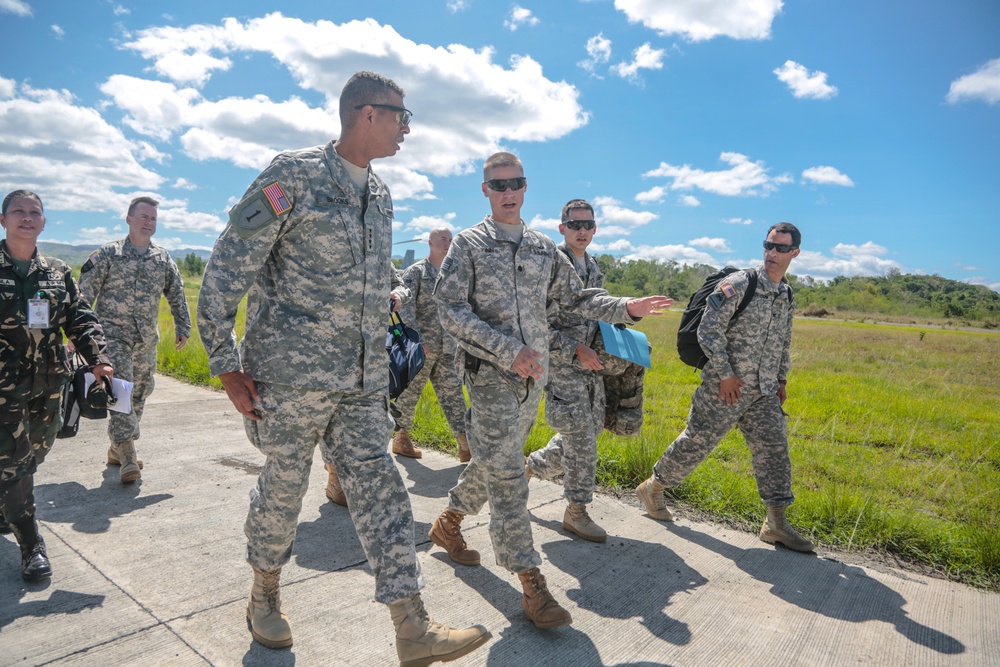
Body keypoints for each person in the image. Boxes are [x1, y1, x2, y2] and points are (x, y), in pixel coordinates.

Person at [196, 71, 489, 665]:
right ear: (367, 114)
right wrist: (227, 365)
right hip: (288, 377)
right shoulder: (292, 176)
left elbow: (370, 279)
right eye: (401, 117)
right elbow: (226, 270)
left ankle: (412, 627)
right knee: (283, 488)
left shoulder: (380, 196)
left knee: (382, 492)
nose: (408, 128)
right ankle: (264, 596)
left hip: (360, 382)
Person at [428, 152, 673, 629]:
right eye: (498, 185)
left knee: (496, 461)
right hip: (492, 377)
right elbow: (450, 310)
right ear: (485, 191)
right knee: (509, 477)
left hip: (533, 380)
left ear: (525, 186)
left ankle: (449, 523)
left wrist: (627, 306)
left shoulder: (543, 249)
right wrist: (507, 350)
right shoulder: (470, 245)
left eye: (515, 183)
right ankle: (531, 582)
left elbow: (577, 297)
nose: (508, 192)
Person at [635, 222, 814, 553]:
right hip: (724, 386)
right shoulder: (741, 284)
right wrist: (726, 374)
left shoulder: (785, 293)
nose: (772, 253)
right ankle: (654, 487)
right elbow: (708, 330)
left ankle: (775, 523)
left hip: (763, 391)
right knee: (697, 443)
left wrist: (782, 378)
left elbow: (784, 340)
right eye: (769, 245)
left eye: (781, 248)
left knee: (775, 449)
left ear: (795, 253)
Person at [0, 190, 113, 580]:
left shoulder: (57, 271)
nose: (26, 218)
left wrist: (98, 359)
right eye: (18, 211)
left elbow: (80, 318)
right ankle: (31, 544)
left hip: (49, 383)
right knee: (14, 458)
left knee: (36, 452)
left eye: (35, 212)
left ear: (45, 222)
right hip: (3, 387)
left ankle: (7, 505)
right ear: (3, 220)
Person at [79, 196, 191, 484]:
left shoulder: (162, 258)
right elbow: (84, 293)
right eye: (143, 217)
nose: (148, 222)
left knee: (141, 391)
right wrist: (78, 332)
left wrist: (183, 325)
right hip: (111, 336)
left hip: (145, 338)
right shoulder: (108, 254)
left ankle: (116, 448)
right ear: (129, 219)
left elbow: (176, 293)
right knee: (122, 390)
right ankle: (128, 453)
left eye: (153, 218)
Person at [525, 199, 610, 543]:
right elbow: (534, 323)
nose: (582, 231)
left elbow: (597, 311)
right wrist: (574, 348)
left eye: (588, 225)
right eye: (575, 224)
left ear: (595, 228)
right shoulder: (550, 264)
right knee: (582, 437)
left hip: (591, 367)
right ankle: (576, 512)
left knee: (591, 430)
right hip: (561, 365)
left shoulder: (594, 266)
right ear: (562, 228)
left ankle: (533, 464)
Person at [391, 227, 471, 463]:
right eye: (442, 239)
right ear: (430, 242)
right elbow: (406, 308)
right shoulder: (416, 273)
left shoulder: (454, 274)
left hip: (448, 348)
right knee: (410, 394)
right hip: (422, 349)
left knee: (454, 395)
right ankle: (401, 437)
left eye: (450, 239)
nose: (447, 243)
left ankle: (465, 445)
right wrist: (418, 342)